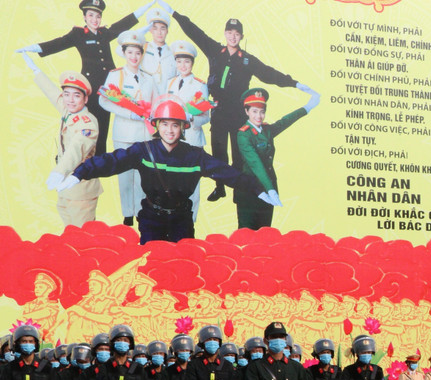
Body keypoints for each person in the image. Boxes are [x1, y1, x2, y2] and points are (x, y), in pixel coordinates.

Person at [57, 96, 273, 243]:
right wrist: (79, 173)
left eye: (175, 125)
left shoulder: (194, 156)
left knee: (185, 266)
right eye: (165, 124)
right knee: (152, 267)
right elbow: (112, 161)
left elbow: (229, 174)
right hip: (152, 217)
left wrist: (260, 190)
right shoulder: (144, 151)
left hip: (182, 218)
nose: (170, 130)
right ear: (156, 126)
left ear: (182, 128)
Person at [165, 5, 311, 201]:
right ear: (225, 33)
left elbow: (269, 74)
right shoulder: (216, 51)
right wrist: (175, 14)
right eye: (230, 32)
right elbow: (195, 33)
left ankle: (238, 189)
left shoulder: (248, 60)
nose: (233, 37)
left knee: (238, 153)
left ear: (241, 37)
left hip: (237, 112)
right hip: (217, 109)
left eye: (237, 34)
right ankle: (220, 187)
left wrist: (294, 83)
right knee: (218, 152)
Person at [18, 0, 154, 155]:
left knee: (104, 125)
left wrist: (147, 7)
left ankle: (100, 160)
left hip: (109, 88)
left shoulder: (104, 33)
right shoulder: (78, 34)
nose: (94, 20)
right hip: (89, 88)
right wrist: (34, 48)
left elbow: (123, 25)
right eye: (91, 15)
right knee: (90, 125)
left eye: (98, 16)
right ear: (84, 17)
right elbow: (59, 43)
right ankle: (86, 159)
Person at [22, 56, 103, 227]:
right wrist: (37, 71)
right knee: (68, 236)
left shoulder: (88, 123)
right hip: (65, 190)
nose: (70, 100)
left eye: (76, 96)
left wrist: (58, 172)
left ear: (85, 99)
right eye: (67, 94)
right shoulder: (69, 112)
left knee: (81, 238)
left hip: (81, 189)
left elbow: (76, 148)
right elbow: (53, 94)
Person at [234, 87, 319, 229]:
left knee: (266, 234)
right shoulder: (243, 135)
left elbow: (285, 121)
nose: (259, 116)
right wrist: (271, 190)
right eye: (254, 111)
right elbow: (256, 164)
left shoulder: (266, 130)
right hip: (249, 192)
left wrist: (307, 107)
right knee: (247, 236)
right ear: (246, 111)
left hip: (268, 190)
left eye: (262, 112)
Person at [97, 29, 156, 224]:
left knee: (142, 175)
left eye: (138, 53)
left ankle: (141, 211)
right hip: (123, 132)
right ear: (124, 53)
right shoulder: (115, 75)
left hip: (144, 136)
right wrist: (129, 113)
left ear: (142, 54)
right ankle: (127, 213)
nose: (134, 57)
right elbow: (105, 102)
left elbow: (155, 105)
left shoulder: (149, 78)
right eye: (130, 52)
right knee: (124, 176)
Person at [165, 40, 210, 221]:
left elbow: (206, 116)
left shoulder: (200, 85)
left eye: (187, 62)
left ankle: (190, 222)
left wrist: (191, 119)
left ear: (192, 64)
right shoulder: (170, 83)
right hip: (171, 141)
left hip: (191, 139)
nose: (183, 66)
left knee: (191, 184)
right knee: (172, 182)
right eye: (179, 61)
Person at [137, 8, 176, 90]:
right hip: (145, 97)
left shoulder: (174, 53)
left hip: (166, 99)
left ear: (167, 31)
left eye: (162, 28)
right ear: (150, 30)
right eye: (155, 28)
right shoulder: (142, 48)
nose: (159, 32)